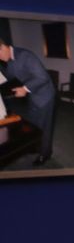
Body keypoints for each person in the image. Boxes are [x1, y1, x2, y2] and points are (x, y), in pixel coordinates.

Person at [0, 37, 57, 165]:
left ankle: (45, 154)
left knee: (44, 126)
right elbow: (13, 76)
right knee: (34, 123)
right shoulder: (9, 59)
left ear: (3, 47)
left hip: (44, 96)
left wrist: (25, 89)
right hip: (32, 95)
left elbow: (43, 77)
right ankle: (36, 146)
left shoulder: (25, 56)